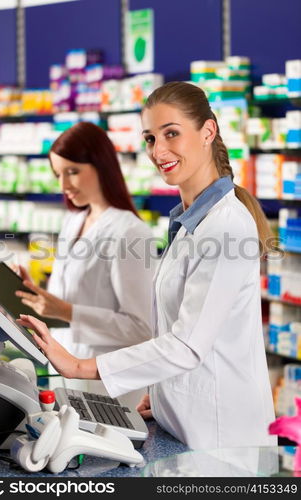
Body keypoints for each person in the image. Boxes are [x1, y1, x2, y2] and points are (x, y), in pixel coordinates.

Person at [18, 82, 276, 450]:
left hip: (221, 435)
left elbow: (187, 345)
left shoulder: (226, 224)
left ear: (208, 132)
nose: (159, 150)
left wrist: (80, 366)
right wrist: (163, 394)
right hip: (182, 423)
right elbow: (176, 327)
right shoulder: (189, 222)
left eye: (171, 133)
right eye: (151, 138)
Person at [16, 121, 155, 392]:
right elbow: (73, 302)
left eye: (73, 172)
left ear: (101, 165)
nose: (64, 184)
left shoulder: (130, 232)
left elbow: (142, 329)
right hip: (63, 373)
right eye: (58, 174)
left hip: (106, 383)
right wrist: (35, 298)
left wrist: (66, 311)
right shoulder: (74, 220)